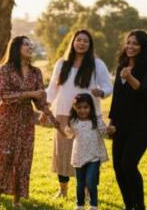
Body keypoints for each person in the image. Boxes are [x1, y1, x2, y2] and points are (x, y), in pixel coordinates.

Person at [0, 36, 56, 210]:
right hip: (6, 118)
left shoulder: (36, 72)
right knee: (2, 156)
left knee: (23, 157)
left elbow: (39, 98)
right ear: (16, 47)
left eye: (31, 45)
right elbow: (5, 95)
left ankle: (17, 201)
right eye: (25, 44)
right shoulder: (5, 69)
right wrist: (32, 94)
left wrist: (45, 108)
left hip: (26, 120)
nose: (30, 47)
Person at [45, 30, 113, 198]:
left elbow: (108, 86)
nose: (81, 43)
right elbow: (53, 88)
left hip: (87, 116)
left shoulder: (97, 64)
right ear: (73, 42)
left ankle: (87, 190)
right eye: (79, 40)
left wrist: (101, 92)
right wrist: (44, 105)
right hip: (63, 114)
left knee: (87, 153)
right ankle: (63, 189)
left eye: (85, 41)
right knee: (63, 153)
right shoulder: (62, 63)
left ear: (90, 45)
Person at [108, 30, 147, 210]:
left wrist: (129, 77)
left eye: (135, 43)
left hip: (142, 124)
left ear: (143, 47)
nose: (130, 46)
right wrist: (112, 122)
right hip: (121, 124)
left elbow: (144, 90)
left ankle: (140, 208)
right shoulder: (121, 66)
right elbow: (117, 99)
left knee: (129, 164)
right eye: (128, 42)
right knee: (118, 166)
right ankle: (128, 206)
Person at [62, 93, 113, 210]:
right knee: (80, 184)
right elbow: (68, 134)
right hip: (79, 156)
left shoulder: (96, 121)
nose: (82, 110)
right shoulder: (74, 122)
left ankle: (93, 206)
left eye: (85, 107)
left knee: (90, 182)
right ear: (75, 108)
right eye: (79, 107)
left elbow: (104, 133)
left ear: (91, 107)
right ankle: (79, 205)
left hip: (93, 156)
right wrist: (65, 127)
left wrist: (110, 130)